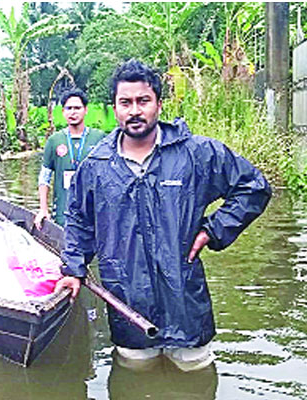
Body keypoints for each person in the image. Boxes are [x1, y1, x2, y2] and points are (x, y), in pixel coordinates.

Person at [57, 59, 271, 371]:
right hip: (127, 303)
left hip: (186, 303)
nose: (134, 111)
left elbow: (253, 187)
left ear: (159, 103)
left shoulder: (196, 154)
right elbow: (78, 220)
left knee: (195, 374)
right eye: (125, 102)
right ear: (113, 108)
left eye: (143, 101)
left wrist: (213, 230)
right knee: (135, 376)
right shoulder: (96, 166)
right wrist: (74, 269)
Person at [34, 89, 106, 229]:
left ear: (85, 110)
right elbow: (45, 177)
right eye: (69, 108)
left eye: (77, 108)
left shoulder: (99, 138)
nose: (73, 112)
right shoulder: (54, 140)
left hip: (94, 211)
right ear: (63, 112)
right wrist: (43, 209)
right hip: (63, 210)